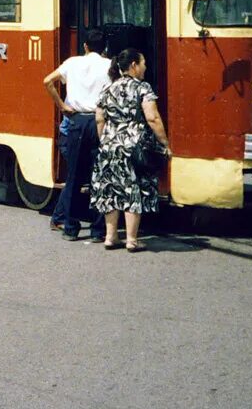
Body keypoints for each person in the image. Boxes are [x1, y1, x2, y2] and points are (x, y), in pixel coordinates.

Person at [90, 48, 171, 253]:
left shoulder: (108, 88)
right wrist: (165, 143)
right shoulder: (143, 88)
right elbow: (152, 118)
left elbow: (99, 118)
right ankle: (132, 240)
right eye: (143, 63)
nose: (145, 67)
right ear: (134, 65)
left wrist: (105, 141)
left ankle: (110, 237)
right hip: (133, 146)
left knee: (110, 189)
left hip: (109, 145)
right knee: (132, 188)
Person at [42, 30, 110, 242]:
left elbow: (47, 81)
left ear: (85, 46)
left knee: (74, 176)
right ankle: (99, 230)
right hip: (99, 121)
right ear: (104, 48)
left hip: (76, 121)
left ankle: (70, 227)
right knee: (100, 176)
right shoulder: (109, 65)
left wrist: (62, 106)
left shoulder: (72, 63)